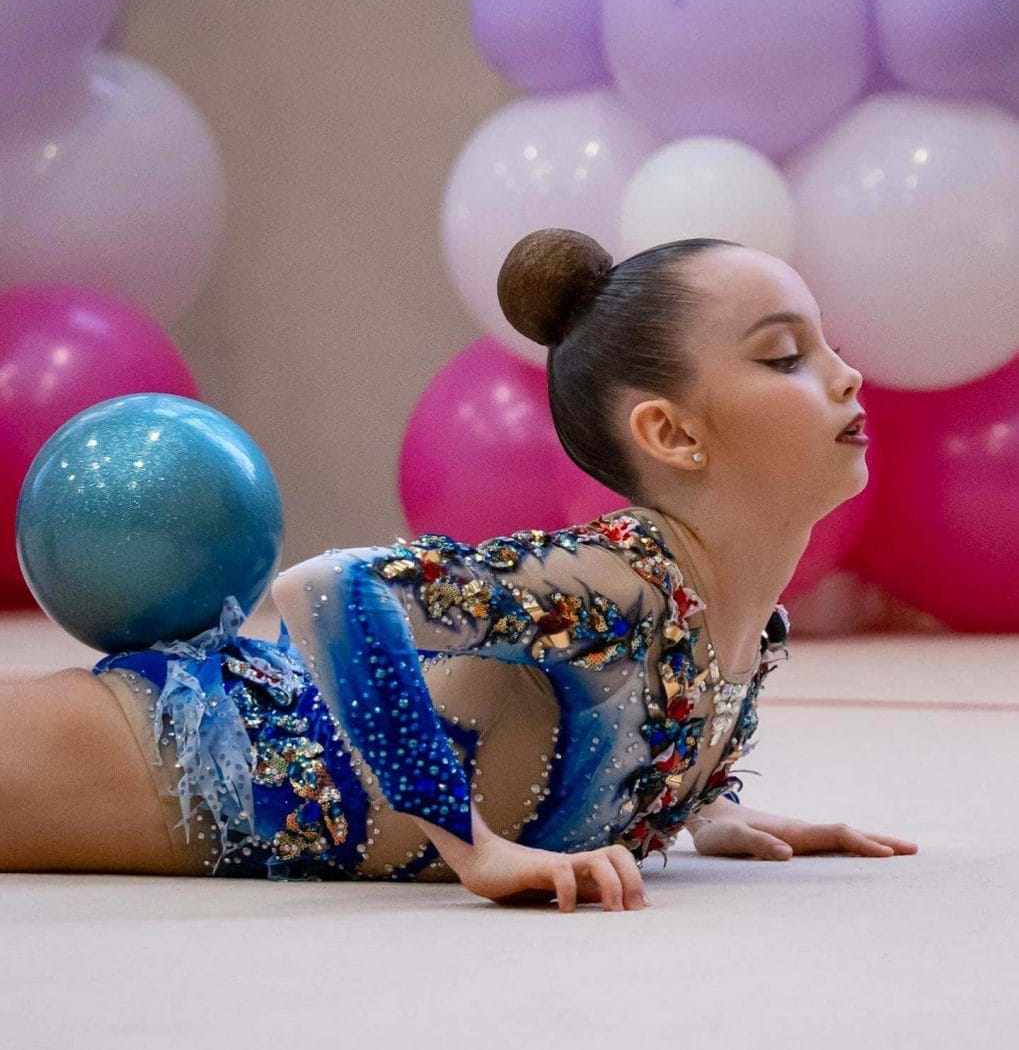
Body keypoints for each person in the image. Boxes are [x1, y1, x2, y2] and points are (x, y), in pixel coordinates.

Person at [0, 231, 918, 909]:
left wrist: (694, 814)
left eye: (827, 347)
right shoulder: (619, 577)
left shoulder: (738, 618)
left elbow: (627, 728)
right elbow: (325, 590)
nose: (847, 377)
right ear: (670, 433)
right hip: (177, 759)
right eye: (786, 356)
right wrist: (471, 845)